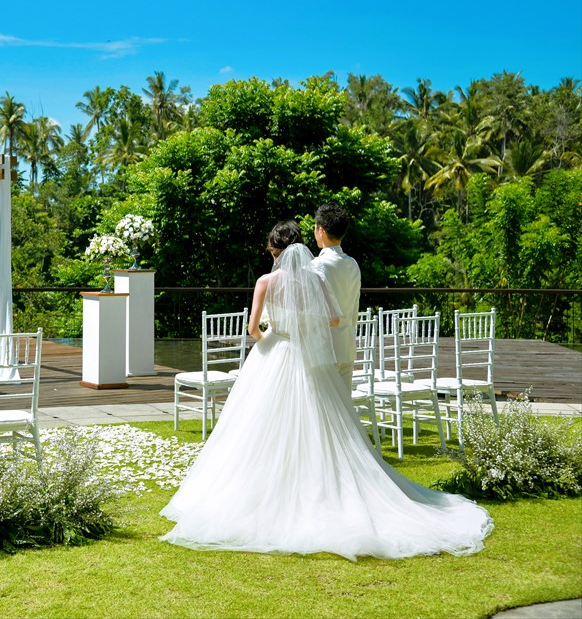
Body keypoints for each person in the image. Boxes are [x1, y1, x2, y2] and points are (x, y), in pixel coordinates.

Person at [159, 221, 493, 560]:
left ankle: (271, 490)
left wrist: (271, 338)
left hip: (274, 354)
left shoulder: (266, 281)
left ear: (276, 250)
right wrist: (306, 328)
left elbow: (252, 328)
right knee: (320, 424)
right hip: (308, 359)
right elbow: (335, 320)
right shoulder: (315, 280)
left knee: (258, 425)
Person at [311, 202, 361, 394]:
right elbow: (354, 306)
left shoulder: (316, 266)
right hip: (347, 346)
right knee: (344, 409)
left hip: (324, 350)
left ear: (321, 230)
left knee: (323, 413)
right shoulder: (353, 265)